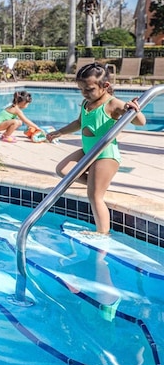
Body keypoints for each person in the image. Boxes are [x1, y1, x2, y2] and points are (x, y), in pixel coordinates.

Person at [46, 62, 146, 235]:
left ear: (105, 86)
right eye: (81, 89)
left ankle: (102, 232)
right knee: (63, 170)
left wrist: (134, 110)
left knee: (94, 196)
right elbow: (79, 123)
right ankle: (97, 183)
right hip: (88, 151)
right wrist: (59, 132)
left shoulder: (113, 104)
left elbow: (140, 122)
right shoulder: (87, 102)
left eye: (89, 89)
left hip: (105, 155)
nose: (84, 93)